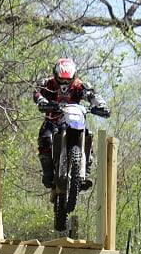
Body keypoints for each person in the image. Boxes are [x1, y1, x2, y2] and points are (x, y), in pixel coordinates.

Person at [33, 58, 110, 189]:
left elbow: (92, 95)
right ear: (55, 74)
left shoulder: (79, 85)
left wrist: (101, 105)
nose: (64, 83)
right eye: (61, 79)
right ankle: (48, 173)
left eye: (67, 80)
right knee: (44, 138)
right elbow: (37, 92)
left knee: (88, 136)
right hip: (53, 119)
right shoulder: (48, 84)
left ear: (74, 76)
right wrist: (41, 100)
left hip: (74, 121)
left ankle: (85, 172)